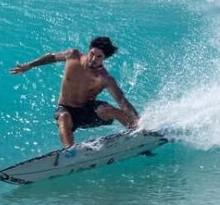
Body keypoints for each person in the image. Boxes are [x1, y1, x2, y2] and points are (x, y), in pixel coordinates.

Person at [10, 36, 139, 148]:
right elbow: (51, 57)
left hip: (88, 111)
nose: (93, 59)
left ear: (105, 58)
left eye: (99, 56)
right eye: (92, 53)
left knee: (107, 109)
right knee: (63, 117)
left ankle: (136, 133)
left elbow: (122, 101)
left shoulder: (105, 78)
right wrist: (30, 65)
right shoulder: (72, 56)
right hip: (66, 109)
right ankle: (70, 152)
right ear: (89, 50)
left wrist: (138, 121)